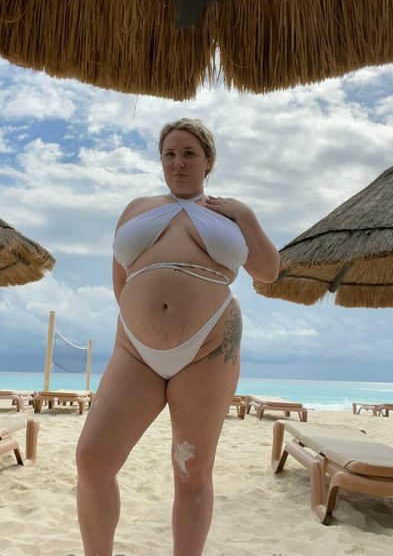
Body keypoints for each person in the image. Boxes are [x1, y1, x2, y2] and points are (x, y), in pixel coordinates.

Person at [76, 118, 280, 556]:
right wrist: (146, 319)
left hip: (209, 348)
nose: (178, 163)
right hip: (135, 350)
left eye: (189, 153)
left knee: (191, 471)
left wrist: (245, 215)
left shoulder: (229, 213)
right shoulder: (137, 208)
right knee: (92, 459)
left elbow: (268, 271)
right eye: (169, 154)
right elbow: (120, 281)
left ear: (208, 161)